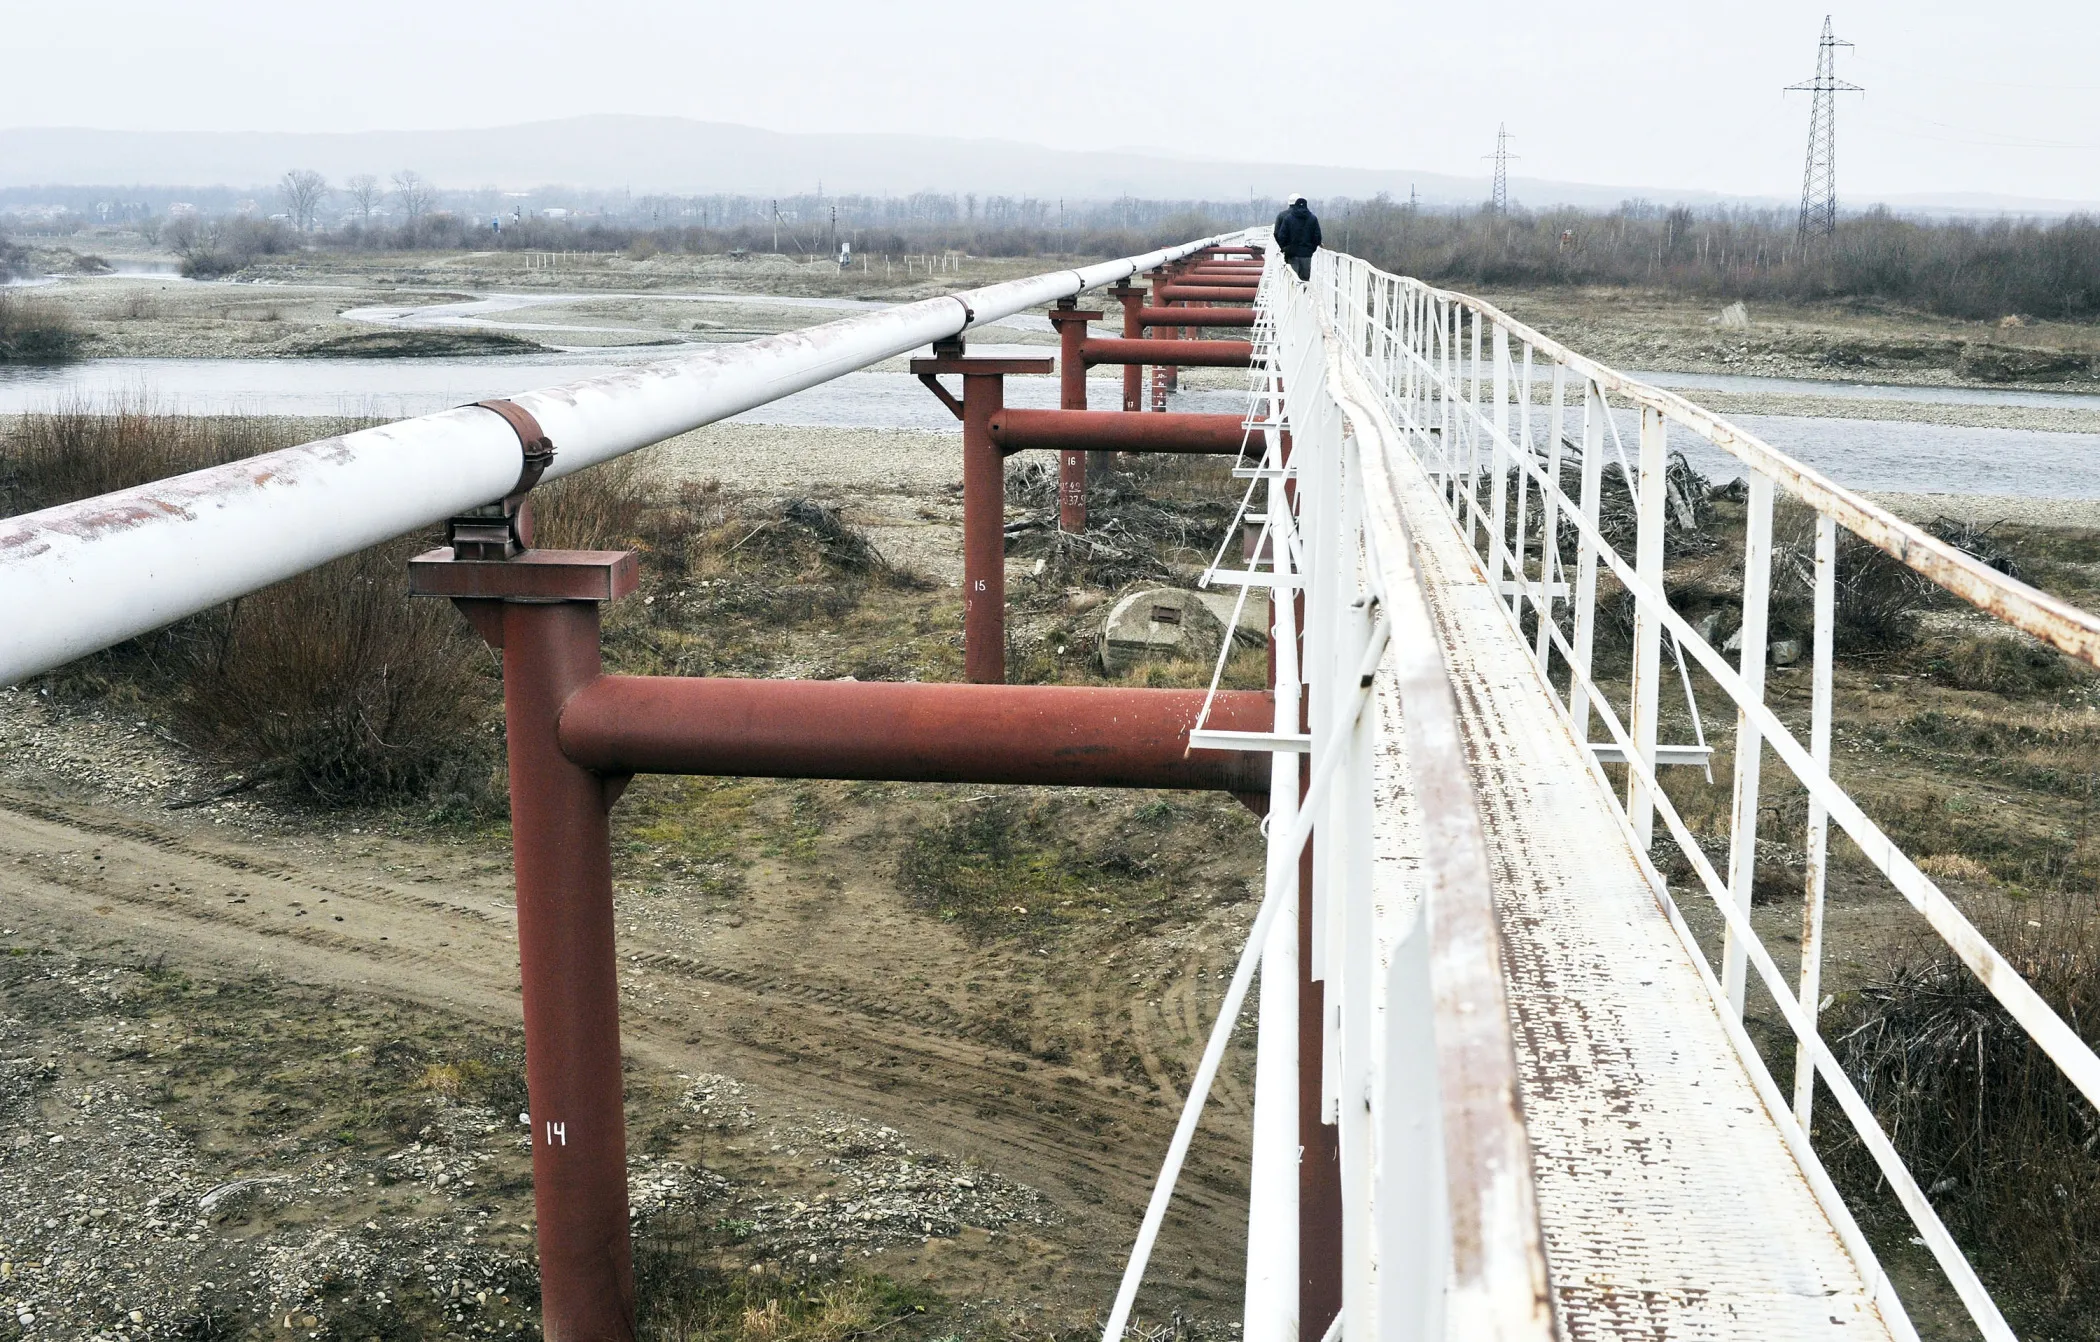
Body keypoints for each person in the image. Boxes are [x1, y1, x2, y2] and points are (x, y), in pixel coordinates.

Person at [1273, 193, 1322, 280]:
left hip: (1291, 254)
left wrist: (1284, 248)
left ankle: (1293, 293)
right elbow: (1317, 237)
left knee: (1292, 279)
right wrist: (1311, 249)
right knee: (1305, 281)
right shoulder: (1313, 218)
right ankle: (1303, 292)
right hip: (1306, 254)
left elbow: (1279, 235)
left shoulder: (1287, 218)